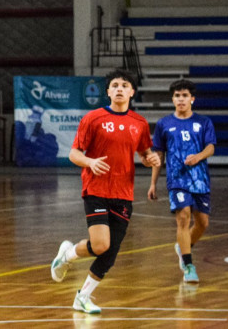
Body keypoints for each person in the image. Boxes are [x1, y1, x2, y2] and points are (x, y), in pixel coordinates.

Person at [50, 68, 161, 314]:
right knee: (100, 245)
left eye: (124, 85)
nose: (120, 88)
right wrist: (89, 162)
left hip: (124, 193)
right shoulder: (93, 118)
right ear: (108, 91)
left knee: (110, 253)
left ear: (132, 92)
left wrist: (150, 159)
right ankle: (67, 254)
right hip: (96, 188)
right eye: (115, 85)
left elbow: (144, 152)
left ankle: (83, 297)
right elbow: (74, 153)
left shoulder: (139, 123)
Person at [147, 79, 216, 283]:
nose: (181, 99)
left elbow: (211, 147)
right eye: (177, 96)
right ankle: (188, 265)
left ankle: (182, 247)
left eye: (185, 95)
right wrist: (153, 183)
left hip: (200, 180)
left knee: (202, 223)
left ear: (192, 99)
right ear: (172, 99)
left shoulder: (204, 122)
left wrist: (198, 157)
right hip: (177, 180)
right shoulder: (164, 124)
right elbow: (158, 155)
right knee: (183, 217)